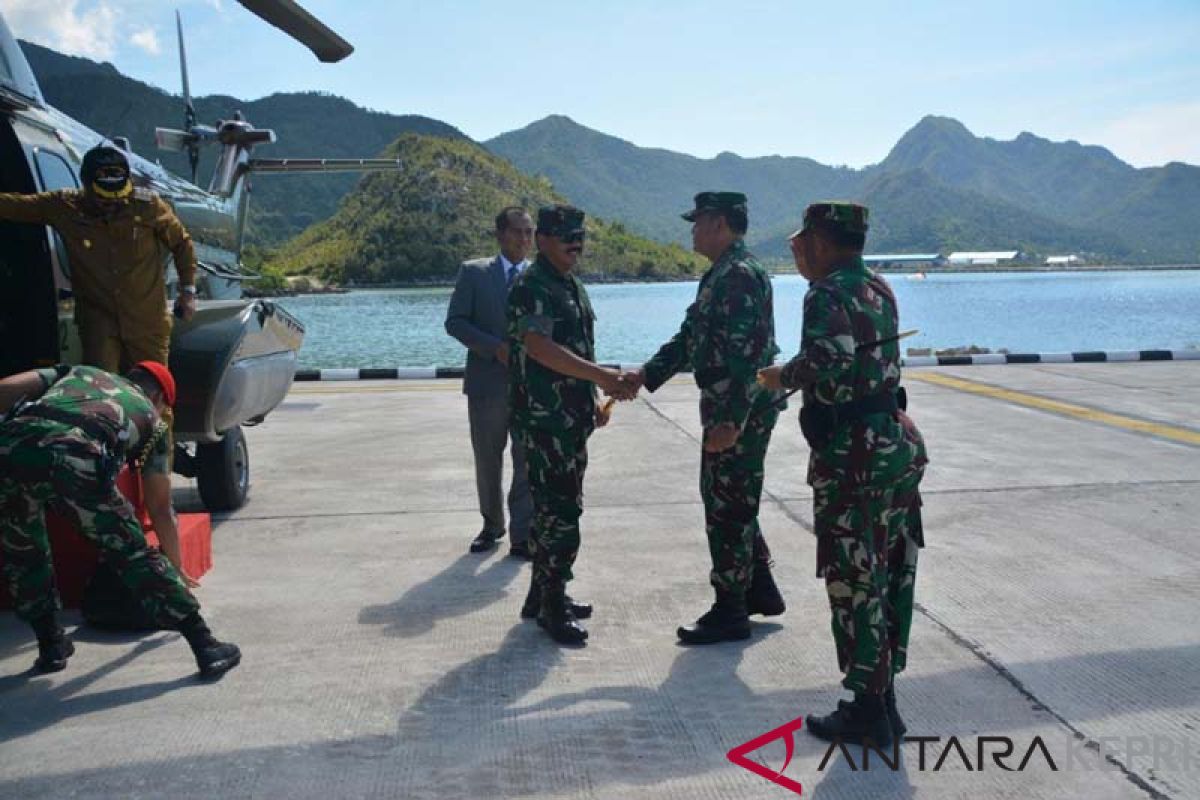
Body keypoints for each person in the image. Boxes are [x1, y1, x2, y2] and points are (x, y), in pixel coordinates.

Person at [758, 202, 927, 746]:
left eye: (802, 239)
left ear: (820, 241)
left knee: (854, 576)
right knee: (889, 572)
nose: (797, 249)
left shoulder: (826, 292)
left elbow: (828, 360)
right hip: (893, 444)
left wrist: (781, 376)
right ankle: (886, 696)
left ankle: (866, 709)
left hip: (852, 457)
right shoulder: (879, 287)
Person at [0, 362, 240, 678]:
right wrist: (176, 567)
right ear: (160, 400)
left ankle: (52, 645)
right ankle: (204, 643)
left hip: (10, 448)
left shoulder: (80, 372)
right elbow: (160, 507)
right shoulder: (153, 422)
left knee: (24, 552)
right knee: (130, 552)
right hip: (75, 454)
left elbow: (6, 387)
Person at [622, 192, 786, 645]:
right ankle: (759, 588)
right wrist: (645, 375)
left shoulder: (737, 276)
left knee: (727, 506)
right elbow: (690, 335)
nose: (692, 230)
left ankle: (730, 610)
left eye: (697, 222)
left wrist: (731, 420)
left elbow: (749, 354)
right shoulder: (721, 275)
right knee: (732, 496)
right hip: (733, 405)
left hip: (741, 409)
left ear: (718, 223)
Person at [507, 204, 632, 645]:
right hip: (545, 422)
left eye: (580, 236)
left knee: (555, 509)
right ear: (542, 240)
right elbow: (539, 348)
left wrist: (593, 397)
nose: (575, 243)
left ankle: (541, 593)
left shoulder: (570, 285)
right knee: (561, 512)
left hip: (570, 418)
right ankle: (551, 605)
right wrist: (602, 376)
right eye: (566, 237)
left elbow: (575, 349)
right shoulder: (533, 285)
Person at [0, 143, 198, 371]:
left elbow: (182, 243)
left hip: (146, 320)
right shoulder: (64, 206)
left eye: (119, 196)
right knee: (101, 388)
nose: (112, 203)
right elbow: (13, 205)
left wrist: (188, 291)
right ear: (85, 184)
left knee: (152, 392)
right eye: (103, 199)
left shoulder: (147, 205)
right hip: (98, 321)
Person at [445, 207, 535, 557]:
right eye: (517, 232)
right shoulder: (474, 273)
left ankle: (522, 533)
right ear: (500, 235)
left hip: (529, 387)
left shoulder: (539, 277)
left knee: (527, 459)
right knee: (488, 459)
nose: (524, 239)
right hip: (487, 385)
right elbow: (455, 322)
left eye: (529, 232)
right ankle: (491, 525)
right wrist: (492, 348)